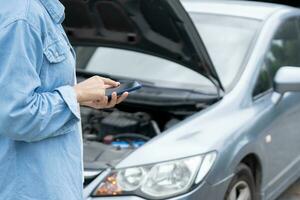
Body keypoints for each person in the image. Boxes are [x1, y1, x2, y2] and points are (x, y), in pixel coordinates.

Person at [0, 0, 128, 199]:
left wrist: (80, 98)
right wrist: (76, 95)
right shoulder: (23, 15)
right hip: (29, 189)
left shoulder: (38, 11)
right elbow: (16, 116)